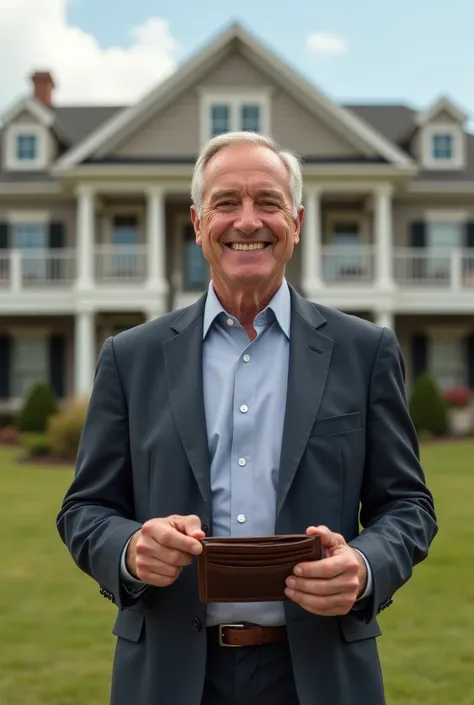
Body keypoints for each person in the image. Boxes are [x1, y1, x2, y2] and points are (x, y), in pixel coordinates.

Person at [57, 131, 437, 705]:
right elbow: (85, 509)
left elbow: (409, 506)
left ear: (298, 222)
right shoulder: (130, 357)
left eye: (268, 202)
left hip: (320, 672)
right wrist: (131, 548)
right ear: (197, 222)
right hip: (169, 673)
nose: (247, 220)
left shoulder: (366, 352)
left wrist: (363, 564)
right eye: (226, 202)